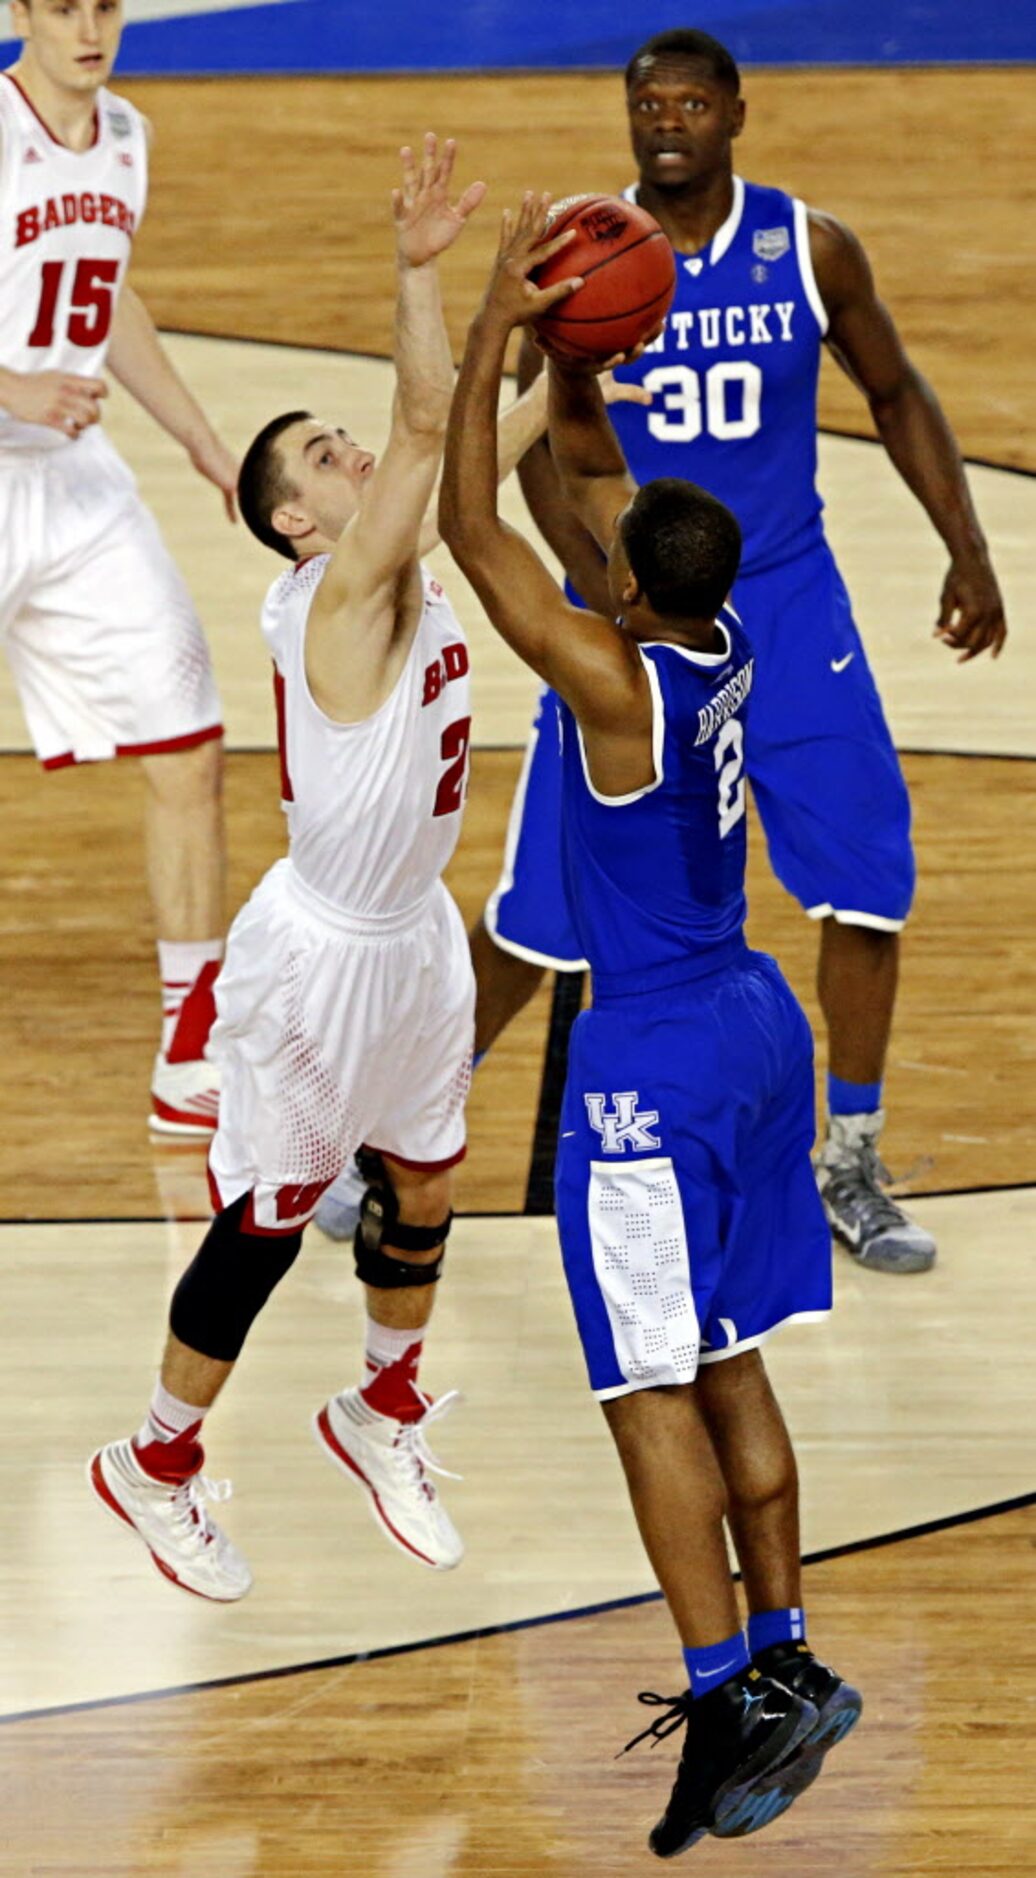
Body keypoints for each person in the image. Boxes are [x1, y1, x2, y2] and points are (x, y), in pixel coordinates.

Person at [440, 193, 861, 1857]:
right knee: (732, 1355)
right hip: (761, 1026)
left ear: (618, 588)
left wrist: (495, 317)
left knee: (643, 1389)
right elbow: (591, 491)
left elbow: (481, 524)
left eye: (599, 553)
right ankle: (785, 1652)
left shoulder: (612, 688)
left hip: (657, 1063)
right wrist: (577, 355)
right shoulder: (716, 630)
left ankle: (723, 1688)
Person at [474, 27, 1008, 1274]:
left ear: (734, 113)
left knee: (866, 879)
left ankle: (851, 1156)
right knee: (537, 919)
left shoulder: (806, 246)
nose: (667, 120)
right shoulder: (580, 254)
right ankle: (398, 1139)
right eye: (645, 101)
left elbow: (896, 392)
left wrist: (967, 546)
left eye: (691, 102)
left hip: (785, 599)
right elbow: (519, 428)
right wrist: (571, 560)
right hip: (634, 615)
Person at [88, 134, 496, 1598]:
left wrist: (548, 334)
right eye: (325, 458)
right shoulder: (338, 594)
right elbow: (437, 419)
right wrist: (424, 278)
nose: (353, 453)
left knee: (430, 1180)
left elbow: (464, 439)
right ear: (296, 526)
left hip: (413, 935)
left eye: (344, 437)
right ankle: (154, 1460)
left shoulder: (391, 561)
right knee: (264, 1222)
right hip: (319, 955)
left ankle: (379, 1409)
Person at [0, 0, 238, 1135]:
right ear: (18, 15)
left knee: (187, 742)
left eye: (104, 4)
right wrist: (11, 388)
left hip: (77, 482)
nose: (88, 27)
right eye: (62, 6)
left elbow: (110, 293)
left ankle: (189, 1056)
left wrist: (198, 435)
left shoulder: (130, 134)